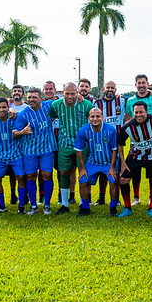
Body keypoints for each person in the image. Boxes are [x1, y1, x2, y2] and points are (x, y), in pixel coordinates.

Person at [49, 83, 93, 214]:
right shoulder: (56, 105)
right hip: (64, 143)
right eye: (67, 93)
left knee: (83, 173)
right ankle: (64, 205)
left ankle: (82, 203)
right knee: (64, 172)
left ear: (77, 93)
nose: (70, 96)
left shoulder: (86, 105)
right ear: (62, 92)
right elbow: (50, 117)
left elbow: (94, 120)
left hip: (82, 144)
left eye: (73, 93)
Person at [116, 101, 152, 217]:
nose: (139, 115)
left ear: (147, 112)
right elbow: (120, 144)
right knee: (123, 179)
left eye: (141, 112)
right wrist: (122, 162)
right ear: (133, 113)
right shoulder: (127, 126)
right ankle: (127, 208)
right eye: (136, 112)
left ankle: (151, 208)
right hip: (135, 156)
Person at [14, 87, 57, 215]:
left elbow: (64, 101)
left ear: (41, 98)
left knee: (47, 175)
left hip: (47, 148)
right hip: (30, 150)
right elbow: (14, 133)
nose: (31, 100)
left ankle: (47, 205)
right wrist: (22, 132)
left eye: (34, 97)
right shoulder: (23, 114)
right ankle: (33, 206)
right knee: (31, 176)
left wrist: (79, 97)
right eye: (29, 98)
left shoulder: (48, 106)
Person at [124, 74, 152, 205]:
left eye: (143, 83)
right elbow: (128, 118)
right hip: (136, 140)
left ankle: (151, 197)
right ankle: (136, 197)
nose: (141, 85)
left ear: (147, 84)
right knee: (135, 171)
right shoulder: (130, 101)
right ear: (135, 85)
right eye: (139, 83)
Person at [74, 108, 119, 216]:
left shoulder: (110, 129)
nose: (95, 119)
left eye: (98, 116)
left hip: (108, 162)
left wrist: (112, 168)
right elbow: (79, 150)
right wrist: (83, 168)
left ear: (102, 118)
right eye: (92, 116)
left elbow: (114, 150)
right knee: (83, 180)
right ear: (89, 118)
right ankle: (85, 208)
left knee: (113, 181)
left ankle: (113, 208)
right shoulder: (84, 130)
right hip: (93, 161)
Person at [0, 97, 27, 213]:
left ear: (8, 107)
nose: (1, 109)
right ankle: (2, 205)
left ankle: (21, 205)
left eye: (4, 107)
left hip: (16, 153)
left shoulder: (16, 117)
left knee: (20, 177)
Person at [94, 80, 126, 206]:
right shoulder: (96, 103)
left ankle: (116, 198)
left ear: (116, 90)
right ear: (103, 89)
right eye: (108, 87)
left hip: (117, 141)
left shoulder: (122, 101)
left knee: (116, 170)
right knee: (103, 170)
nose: (110, 90)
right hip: (101, 141)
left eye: (112, 88)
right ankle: (101, 197)